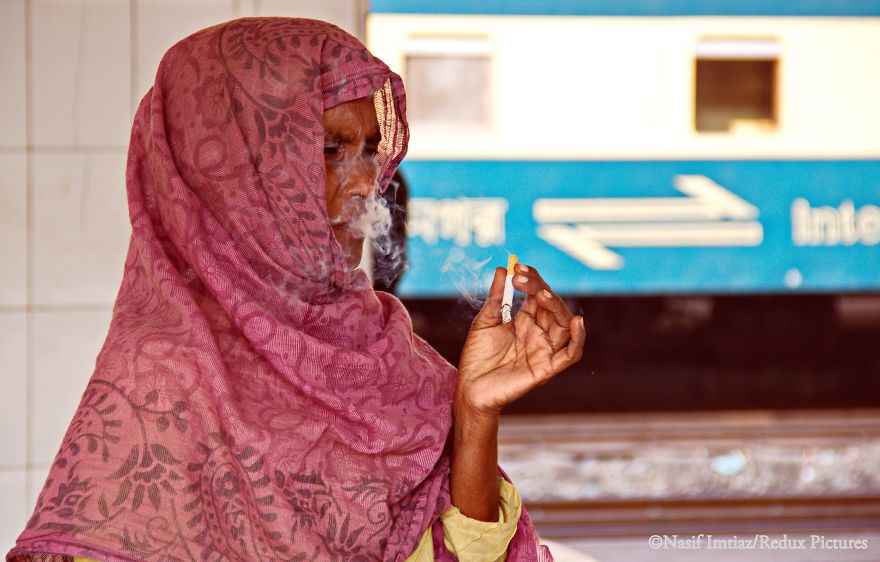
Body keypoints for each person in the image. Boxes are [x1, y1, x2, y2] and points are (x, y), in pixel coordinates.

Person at [7, 18, 584, 562]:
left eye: (369, 150)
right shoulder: (162, 385)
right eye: (330, 149)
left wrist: (475, 413)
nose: (366, 183)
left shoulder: (386, 353)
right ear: (234, 174)